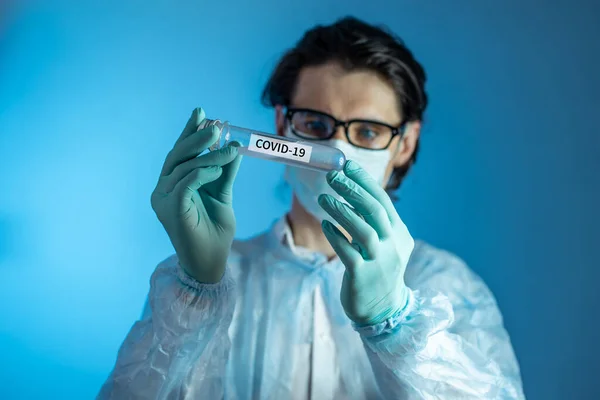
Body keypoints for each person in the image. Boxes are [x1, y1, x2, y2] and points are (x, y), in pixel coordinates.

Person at [98, 17, 525, 400]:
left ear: (405, 143)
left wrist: (394, 323)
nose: (336, 148)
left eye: (369, 131)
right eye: (315, 125)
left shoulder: (445, 287)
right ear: (283, 125)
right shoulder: (213, 278)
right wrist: (195, 293)